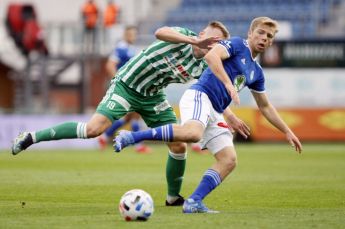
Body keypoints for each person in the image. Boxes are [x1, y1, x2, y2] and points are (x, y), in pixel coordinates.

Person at [11, 21, 230, 207]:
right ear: (202, 34)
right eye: (212, 38)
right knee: (93, 129)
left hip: (152, 96)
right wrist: (194, 42)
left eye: (218, 42)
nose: (213, 43)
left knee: (179, 145)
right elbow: (160, 32)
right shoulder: (184, 36)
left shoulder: (203, 66)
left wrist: (229, 115)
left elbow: (211, 90)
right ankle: (31, 137)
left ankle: (172, 197)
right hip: (126, 85)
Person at [113, 17, 303, 213]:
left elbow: (265, 106)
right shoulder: (238, 44)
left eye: (269, 36)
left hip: (215, 110)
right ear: (250, 34)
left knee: (228, 160)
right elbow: (211, 57)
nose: (264, 38)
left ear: (272, 42)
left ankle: (194, 201)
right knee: (193, 134)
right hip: (199, 96)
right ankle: (131, 137)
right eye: (260, 33)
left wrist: (287, 132)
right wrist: (228, 84)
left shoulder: (257, 72)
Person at [99, 25, 150, 153]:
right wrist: (119, 81)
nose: (133, 36)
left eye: (134, 34)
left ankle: (104, 137)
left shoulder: (131, 49)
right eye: (130, 34)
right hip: (127, 87)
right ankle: (139, 145)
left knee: (130, 117)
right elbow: (110, 65)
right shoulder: (121, 48)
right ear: (125, 35)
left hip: (132, 86)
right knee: (137, 113)